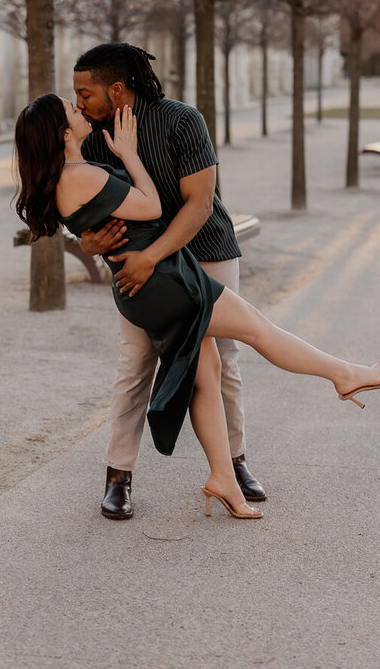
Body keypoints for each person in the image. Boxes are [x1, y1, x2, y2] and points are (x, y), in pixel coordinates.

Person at [14, 94, 380, 519]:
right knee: (258, 330)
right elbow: (152, 206)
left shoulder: (69, 174)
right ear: (64, 132)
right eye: (71, 108)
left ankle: (223, 480)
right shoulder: (79, 174)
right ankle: (344, 376)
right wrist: (131, 156)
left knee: (207, 372)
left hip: (157, 282)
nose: (79, 109)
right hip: (164, 282)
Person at [71, 42, 260, 521]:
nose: (78, 104)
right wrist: (90, 243)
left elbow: (199, 204)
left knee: (226, 362)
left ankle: (234, 464)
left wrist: (152, 256)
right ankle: (118, 476)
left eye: (85, 93)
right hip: (137, 268)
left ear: (117, 90)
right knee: (136, 360)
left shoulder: (183, 120)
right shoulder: (91, 141)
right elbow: (83, 211)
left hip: (207, 251)